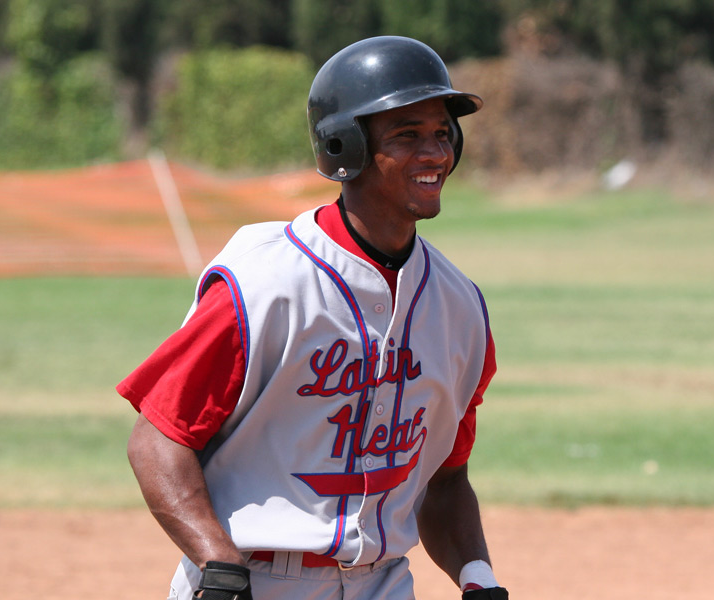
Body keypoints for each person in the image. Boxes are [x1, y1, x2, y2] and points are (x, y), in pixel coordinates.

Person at [119, 36, 508, 600]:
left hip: (385, 582)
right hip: (254, 581)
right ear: (344, 144)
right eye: (407, 135)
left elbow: (445, 479)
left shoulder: (460, 308)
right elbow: (159, 439)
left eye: (443, 133)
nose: (435, 153)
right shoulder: (265, 285)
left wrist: (478, 576)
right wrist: (216, 560)